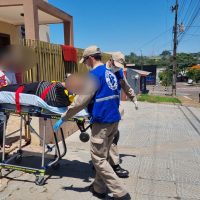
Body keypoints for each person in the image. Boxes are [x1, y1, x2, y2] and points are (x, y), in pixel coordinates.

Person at [53, 45, 131, 200]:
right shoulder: (111, 73)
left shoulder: (94, 75)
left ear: (90, 58)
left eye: (85, 61)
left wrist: (64, 117)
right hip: (113, 120)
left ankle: (120, 193)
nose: (85, 64)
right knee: (104, 155)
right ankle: (99, 188)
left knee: (98, 159)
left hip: (102, 121)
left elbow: (81, 101)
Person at [106, 52, 138, 178]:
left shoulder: (119, 72)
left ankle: (108, 164)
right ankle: (107, 165)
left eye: (120, 65)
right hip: (101, 111)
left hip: (114, 109)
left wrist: (134, 99)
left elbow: (126, 86)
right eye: (116, 64)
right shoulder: (100, 72)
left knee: (113, 137)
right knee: (105, 139)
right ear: (110, 60)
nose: (118, 67)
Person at [0, 59, 17, 149]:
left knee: (4, 121)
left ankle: (2, 141)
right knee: (1, 120)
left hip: (7, 101)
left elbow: (15, 86)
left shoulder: (11, 73)